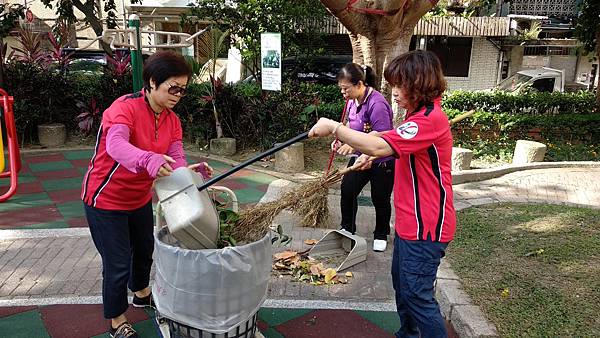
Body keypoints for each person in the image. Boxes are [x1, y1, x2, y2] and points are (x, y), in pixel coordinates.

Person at [309, 50, 455, 338]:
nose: (395, 93)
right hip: (409, 223)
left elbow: (379, 144)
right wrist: (372, 155)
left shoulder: (429, 119)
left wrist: (335, 127)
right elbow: (388, 142)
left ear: (419, 85)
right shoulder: (417, 116)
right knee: (404, 288)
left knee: (417, 295)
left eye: (400, 86)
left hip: (426, 225)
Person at [81, 51, 213, 338]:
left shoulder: (171, 120)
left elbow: (175, 158)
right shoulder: (124, 108)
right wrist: (149, 159)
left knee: (143, 251)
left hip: (139, 198)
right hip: (105, 200)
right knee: (116, 263)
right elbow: (116, 146)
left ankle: (141, 293)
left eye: (183, 89)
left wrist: (189, 171)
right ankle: (117, 320)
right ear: (153, 82)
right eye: (172, 88)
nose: (178, 95)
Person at [334, 63, 394, 252]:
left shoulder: (377, 103)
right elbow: (351, 127)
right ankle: (348, 228)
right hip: (360, 156)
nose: (343, 93)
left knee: (380, 197)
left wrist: (353, 144)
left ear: (359, 84)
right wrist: (341, 139)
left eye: (346, 89)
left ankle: (381, 233)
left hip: (381, 158)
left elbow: (383, 133)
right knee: (348, 189)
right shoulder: (352, 101)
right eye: (341, 89)